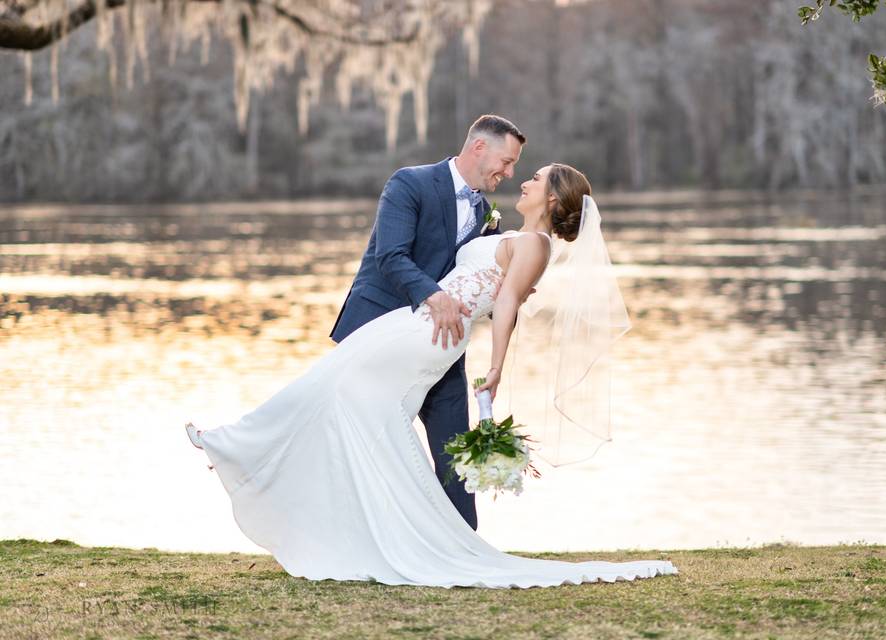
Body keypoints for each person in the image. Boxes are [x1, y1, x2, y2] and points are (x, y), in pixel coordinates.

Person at [184, 161, 680, 588]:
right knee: (349, 395)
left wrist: (496, 368)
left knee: (343, 389)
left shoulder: (535, 245)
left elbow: (506, 305)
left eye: (533, 178)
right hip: (419, 321)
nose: (521, 181)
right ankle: (354, 515)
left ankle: (237, 446)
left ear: (551, 197)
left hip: (435, 334)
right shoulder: (509, 233)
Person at [327, 114, 524, 531]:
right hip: (378, 332)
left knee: (455, 446)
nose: (509, 173)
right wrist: (434, 296)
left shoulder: (488, 214)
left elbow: (472, 284)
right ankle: (352, 535)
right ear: (478, 148)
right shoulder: (409, 183)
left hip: (443, 345)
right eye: (506, 162)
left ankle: (463, 547)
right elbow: (391, 256)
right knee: (364, 442)